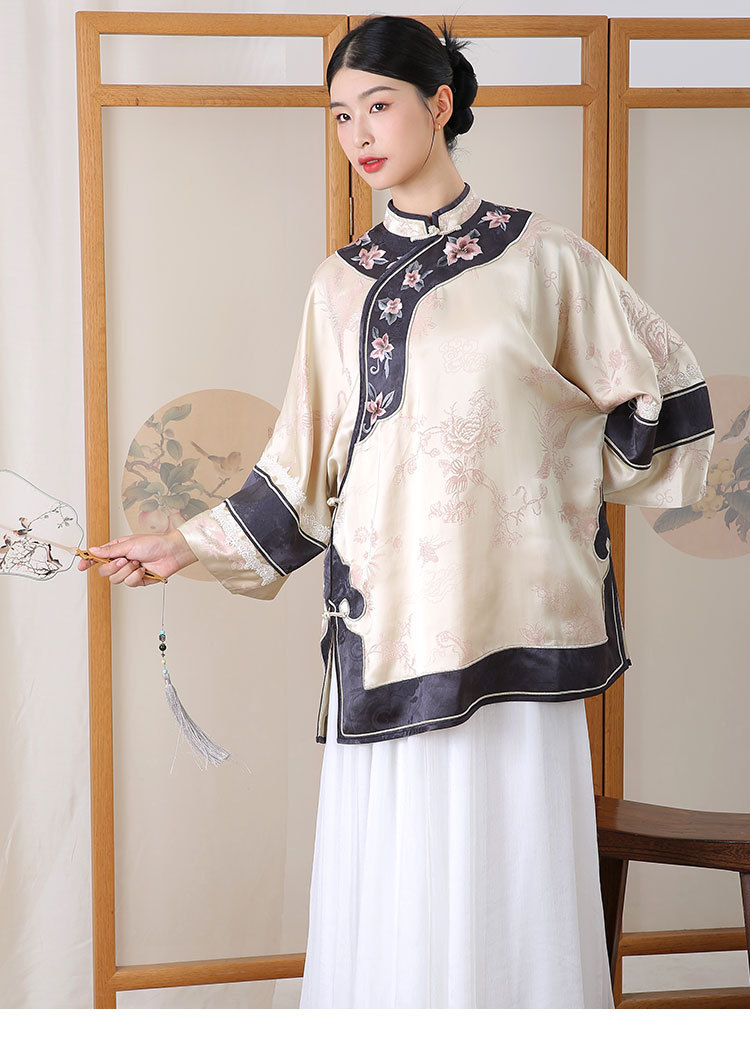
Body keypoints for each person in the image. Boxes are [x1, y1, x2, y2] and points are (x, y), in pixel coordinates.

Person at [79, 15, 715, 1008]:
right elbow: (300, 468)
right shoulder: (337, 287)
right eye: (341, 116)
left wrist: (557, 474)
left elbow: (662, 393)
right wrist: (183, 546)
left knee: (511, 879)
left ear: (440, 103)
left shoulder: (545, 259)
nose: (360, 134)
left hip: (513, 629)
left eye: (378, 105)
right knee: (400, 898)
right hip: (388, 630)